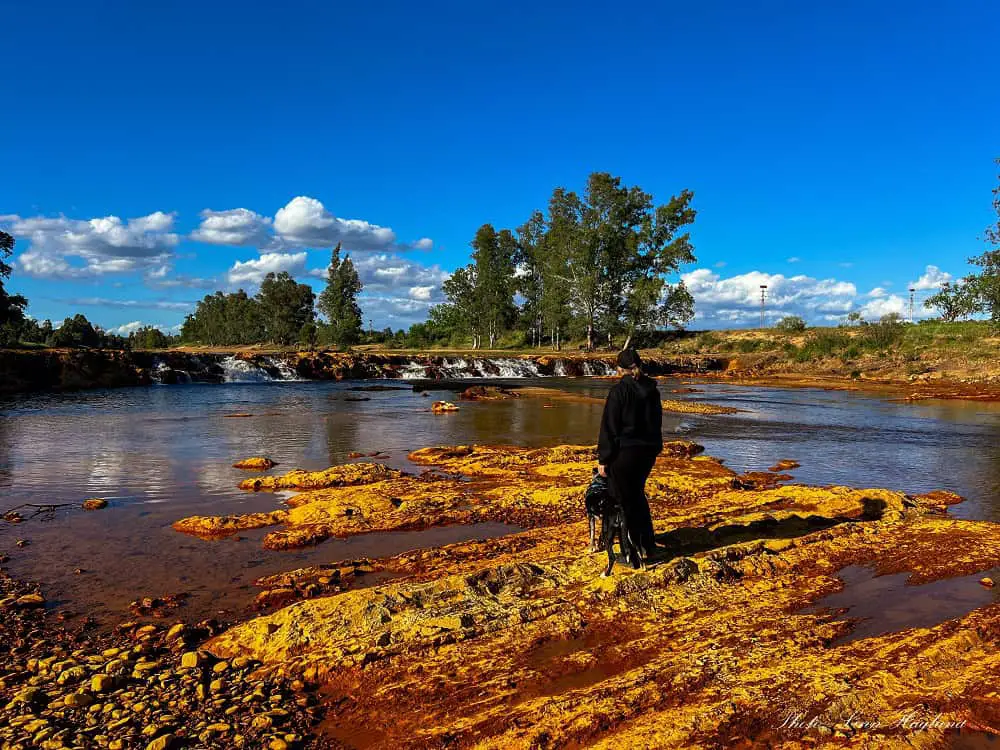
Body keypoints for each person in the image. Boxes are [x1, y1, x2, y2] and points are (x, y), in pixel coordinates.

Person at [597, 347, 663, 562]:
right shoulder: (652, 390)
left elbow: (609, 428)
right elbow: (657, 423)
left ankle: (631, 553)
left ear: (619, 369)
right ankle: (648, 546)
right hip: (647, 453)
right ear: (639, 365)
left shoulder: (619, 392)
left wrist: (603, 459)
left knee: (623, 502)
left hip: (624, 454)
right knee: (637, 497)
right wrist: (655, 448)